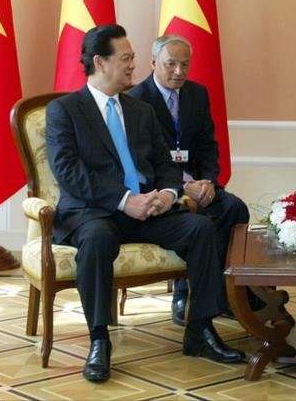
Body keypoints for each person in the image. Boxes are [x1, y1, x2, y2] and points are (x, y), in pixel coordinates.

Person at [46, 25, 244, 383]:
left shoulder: (140, 110)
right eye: (126, 58)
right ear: (100, 62)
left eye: (133, 58)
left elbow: (166, 164)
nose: (132, 65)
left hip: (149, 210)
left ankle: (199, 329)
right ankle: (99, 340)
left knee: (200, 228)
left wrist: (168, 194)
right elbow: (70, 173)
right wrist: (125, 201)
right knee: (97, 240)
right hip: (96, 212)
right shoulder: (65, 110)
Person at [129, 35, 250, 325]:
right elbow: (141, 160)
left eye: (185, 64)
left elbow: (208, 145)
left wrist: (207, 181)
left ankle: (228, 291)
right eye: (171, 64)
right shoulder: (135, 100)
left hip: (199, 183)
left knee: (234, 208)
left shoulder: (197, 94)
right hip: (161, 189)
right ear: (153, 62)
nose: (179, 71)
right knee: (195, 222)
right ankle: (184, 290)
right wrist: (183, 186)